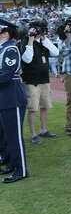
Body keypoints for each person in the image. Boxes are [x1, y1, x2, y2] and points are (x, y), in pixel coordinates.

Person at [20, 19, 59, 145]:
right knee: (32, 108)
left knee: (44, 106)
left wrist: (45, 39)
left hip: (44, 79)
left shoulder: (44, 42)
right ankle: (33, 134)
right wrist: (31, 41)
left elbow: (56, 52)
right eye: (40, 28)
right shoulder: (25, 41)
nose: (42, 30)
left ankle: (43, 130)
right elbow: (27, 59)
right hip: (31, 80)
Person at [0, 19, 28, 183]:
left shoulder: (10, 49)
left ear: (5, 33)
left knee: (14, 136)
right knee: (6, 135)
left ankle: (21, 170)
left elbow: (6, 75)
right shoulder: (3, 48)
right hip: (4, 98)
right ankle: (11, 164)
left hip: (12, 97)